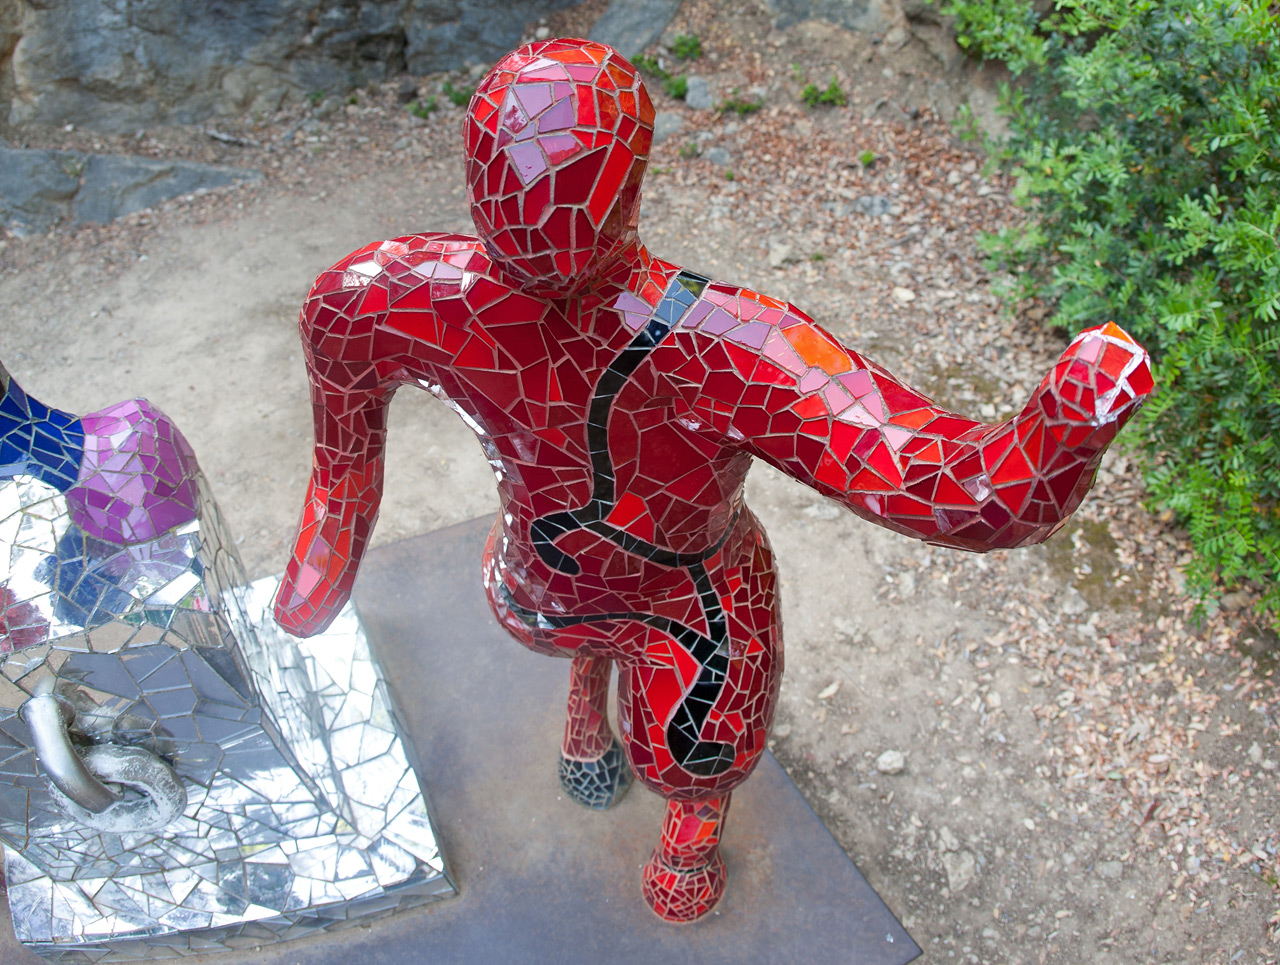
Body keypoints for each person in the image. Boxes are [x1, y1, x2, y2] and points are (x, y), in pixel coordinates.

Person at [273, 37, 1152, 922]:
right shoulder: (401, 301)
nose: (537, 234)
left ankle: (687, 820)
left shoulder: (717, 346)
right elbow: (342, 454)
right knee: (576, 626)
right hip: (547, 574)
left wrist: (1059, 432)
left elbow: (930, 476)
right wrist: (326, 548)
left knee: (694, 740)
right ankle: (592, 701)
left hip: (683, 584)